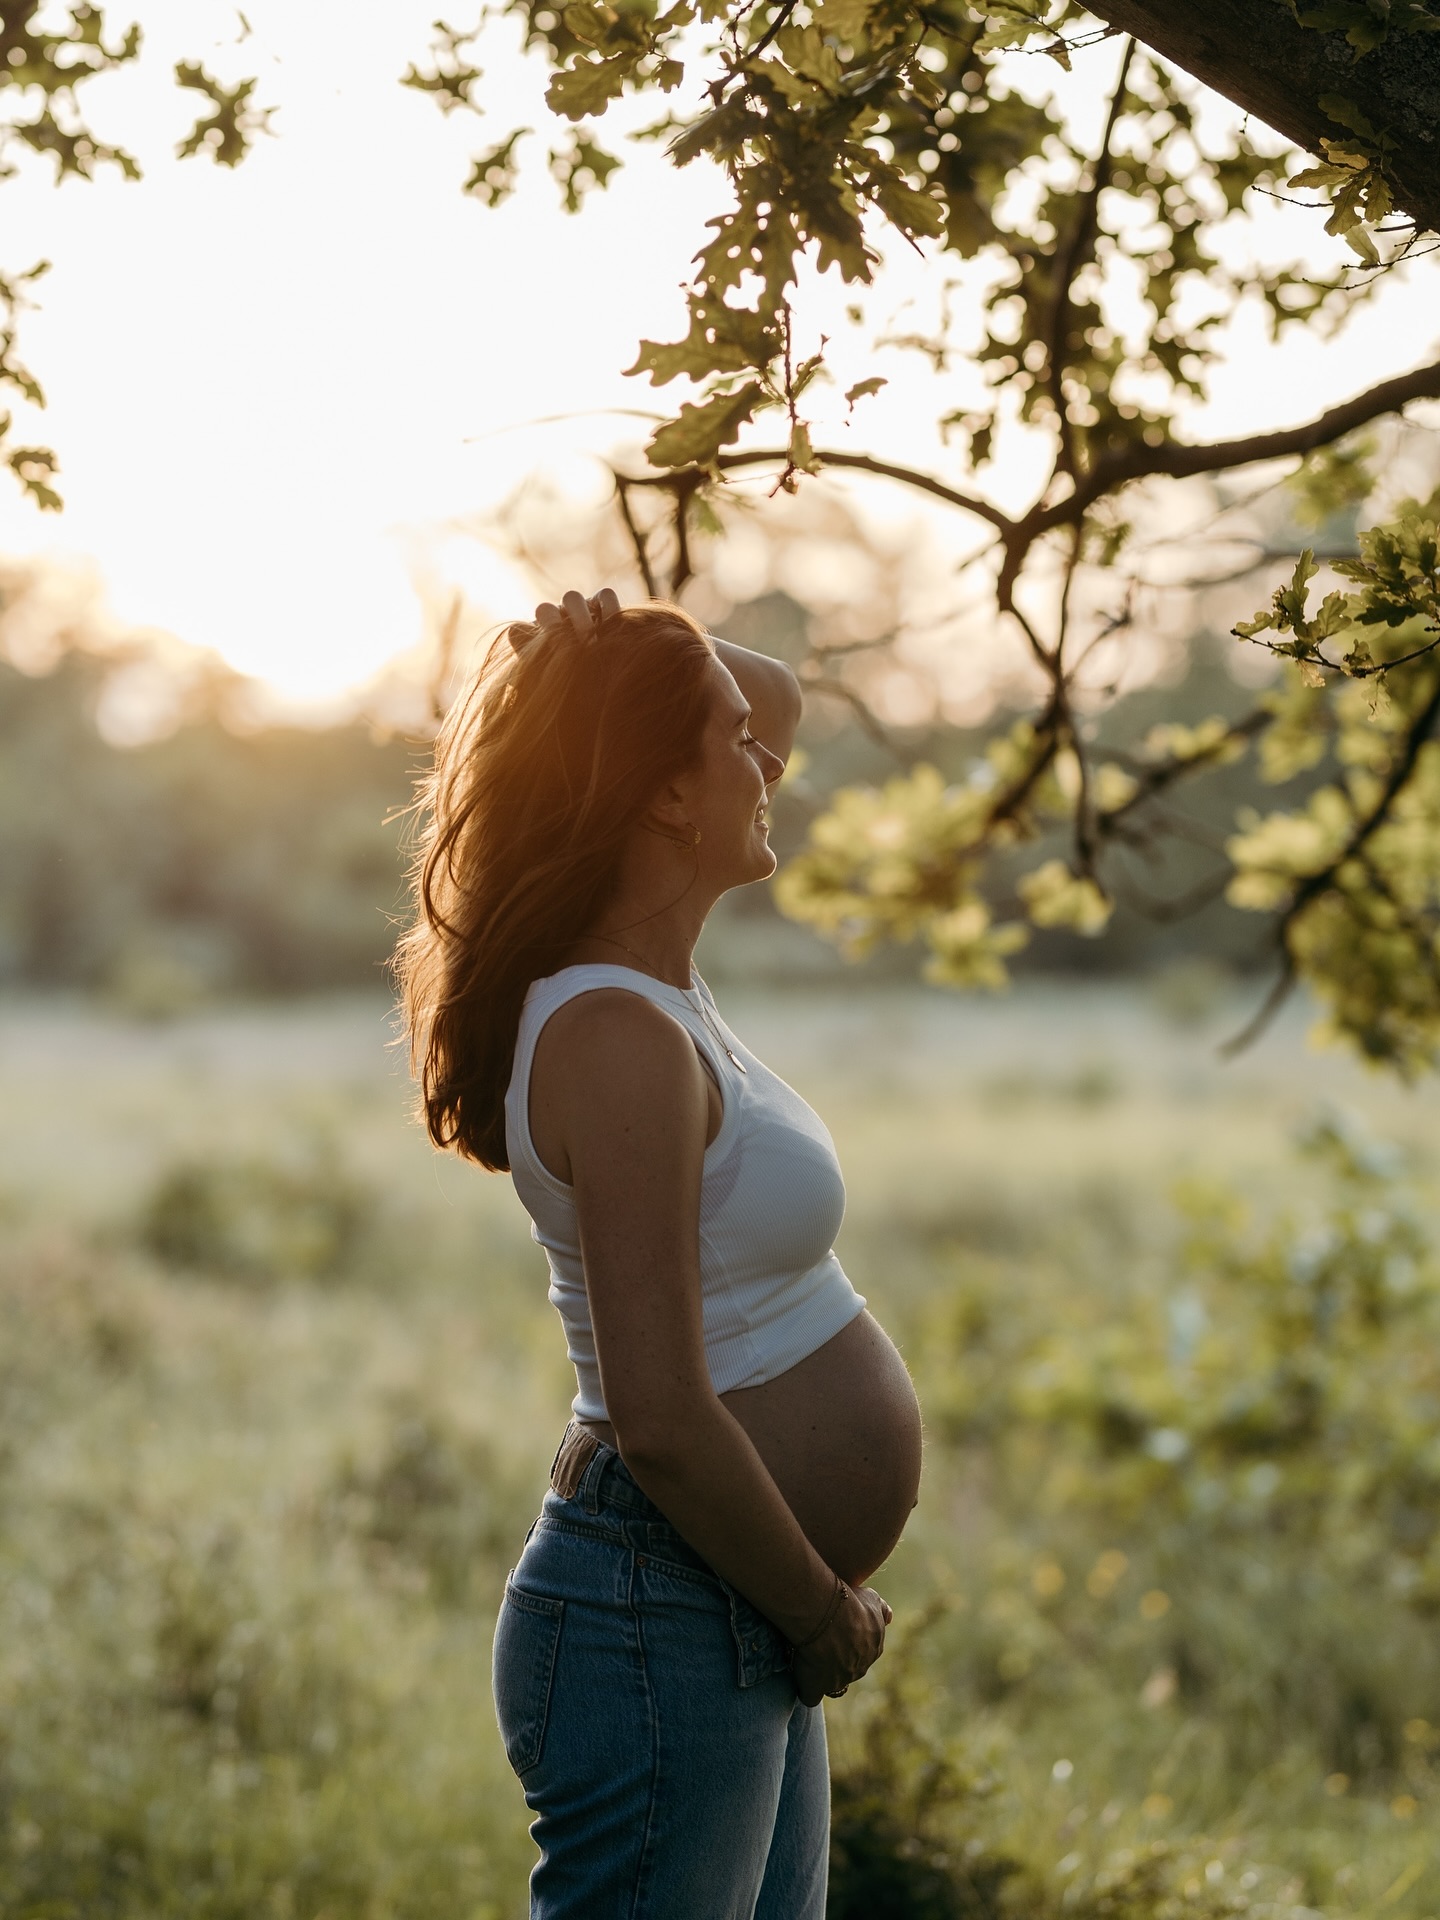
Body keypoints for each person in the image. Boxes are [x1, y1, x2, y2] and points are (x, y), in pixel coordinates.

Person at [396, 587, 924, 1919]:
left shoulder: (654, 994)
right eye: (731, 746)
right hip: (667, 1604)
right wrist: (814, 1607)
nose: (768, 764)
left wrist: (603, 645)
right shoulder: (615, 1036)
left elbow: (773, 702)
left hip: (709, 1593)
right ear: (665, 801)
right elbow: (664, 1414)